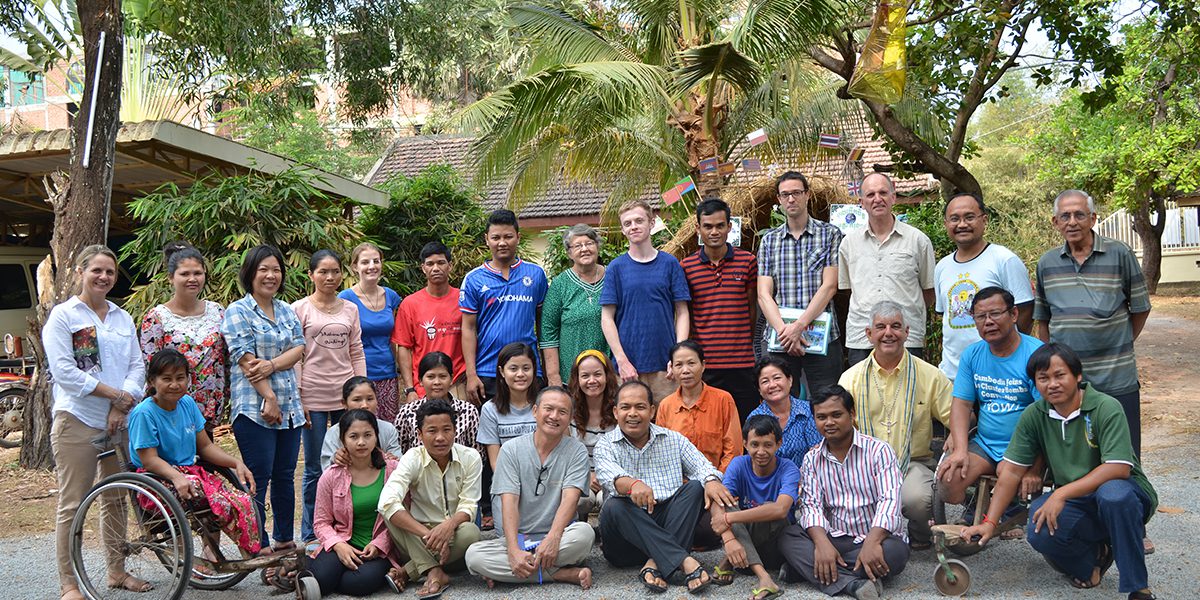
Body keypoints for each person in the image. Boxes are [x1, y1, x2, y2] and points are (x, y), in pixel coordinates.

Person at [962, 343, 1158, 600]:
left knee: (1113, 496)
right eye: (1043, 378)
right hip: (1078, 499)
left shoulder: (1105, 407)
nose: (1051, 384)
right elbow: (1010, 471)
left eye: (1059, 375)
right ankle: (1094, 558)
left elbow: (1118, 468)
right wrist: (989, 523)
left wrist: (1060, 493)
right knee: (1039, 528)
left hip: (1124, 493)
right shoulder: (1035, 414)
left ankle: (1138, 588)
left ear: (1077, 376)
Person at [44, 245, 147, 600]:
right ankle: (69, 584)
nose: (104, 277)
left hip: (119, 422)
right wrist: (113, 396)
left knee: (117, 498)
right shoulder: (64, 316)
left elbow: (137, 366)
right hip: (78, 420)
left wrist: (123, 403)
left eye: (110, 272)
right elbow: (65, 373)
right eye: (97, 270)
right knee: (72, 503)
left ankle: (116, 572)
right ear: (80, 272)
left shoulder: (122, 317)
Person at [1034, 189, 1152, 459]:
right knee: (1074, 455)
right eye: (1065, 216)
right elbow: (1044, 319)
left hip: (1116, 376)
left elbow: (1141, 308)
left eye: (1079, 214)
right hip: (1067, 381)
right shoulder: (1047, 263)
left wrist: (1118, 341)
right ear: (1055, 222)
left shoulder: (1120, 254)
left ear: (1093, 218)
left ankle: (1131, 501)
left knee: (1125, 454)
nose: (1072, 222)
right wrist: (1050, 365)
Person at [594, 380, 736, 594]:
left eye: (640, 407)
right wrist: (633, 484)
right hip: (625, 542)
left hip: (666, 525)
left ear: (652, 411)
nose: (632, 413)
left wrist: (712, 480)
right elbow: (609, 478)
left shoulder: (673, 439)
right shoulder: (605, 444)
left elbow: (702, 467)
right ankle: (685, 561)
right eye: (626, 407)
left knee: (696, 487)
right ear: (615, 412)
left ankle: (654, 564)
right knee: (614, 506)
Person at [837, 301, 951, 550]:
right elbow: (840, 430)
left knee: (918, 499)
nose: (888, 333)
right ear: (869, 334)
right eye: (881, 327)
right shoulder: (850, 378)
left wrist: (956, 438)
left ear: (907, 332)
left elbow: (957, 418)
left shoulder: (929, 375)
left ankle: (919, 536)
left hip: (913, 463)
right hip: (864, 464)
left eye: (896, 326)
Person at [780, 385, 910, 599]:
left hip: (877, 537)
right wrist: (822, 545)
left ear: (851, 414)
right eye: (821, 417)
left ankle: (808, 569)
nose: (829, 423)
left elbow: (890, 501)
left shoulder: (879, 451)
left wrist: (872, 542)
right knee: (788, 536)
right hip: (836, 537)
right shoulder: (812, 459)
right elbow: (811, 506)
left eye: (836, 415)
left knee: (896, 553)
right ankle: (851, 583)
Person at [129, 349, 259, 556]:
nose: (175, 384)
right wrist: (177, 476)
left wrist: (236, 463)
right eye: (167, 379)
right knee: (210, 495)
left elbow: (205, 447)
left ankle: (241, 553)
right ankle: (211, 552)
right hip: (156, 479)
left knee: (240, 498)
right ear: (152, 381)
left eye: (180, 378)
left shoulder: (187, 403)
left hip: (190, 473)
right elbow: (150, 459)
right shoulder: (144, 413)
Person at [220, 244, 306, 556]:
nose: (271, 275)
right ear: (250, 274)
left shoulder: (286, 310)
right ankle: (260, 545)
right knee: (258, 478)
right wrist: (268, 397)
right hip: (254, 408)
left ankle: (284, 539)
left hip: (290, 408)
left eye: (276, 269)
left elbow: (299, 348)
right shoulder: (237, 311)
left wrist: (271, 364)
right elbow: (245, 360)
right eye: (263, 270)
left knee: (285, 476)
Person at [465, 387, 596, 589]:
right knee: (474, 556)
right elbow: (509, 501)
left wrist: (553, 539)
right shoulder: (511, 450)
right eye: (548, 409)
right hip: (521, 538)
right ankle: (560, 573)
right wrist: (513, 550)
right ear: (535, 411)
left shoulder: (576, 451)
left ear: (570, 417)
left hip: (560, 536)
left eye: (562, 412)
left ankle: (513, 572)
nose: (554, 416)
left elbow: (570, 500)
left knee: (585, 534)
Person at [937, 287, 1044, 518]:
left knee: (1007, 472)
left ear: (1013, 314)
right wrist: (961, 450)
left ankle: (995, 516)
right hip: (986, 444)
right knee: (948, 480)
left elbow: (1048, 415)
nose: (988, 322)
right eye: (981, 316)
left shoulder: (1036, 354)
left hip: (1023, 448)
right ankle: (979, 505)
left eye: (995, 314)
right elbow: (962, 404)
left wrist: (1036, 467)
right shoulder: (972, 355)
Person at [294, 249, 367, 547]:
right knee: (314, 467)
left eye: (335, 271)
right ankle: (311, 532)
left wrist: (361, 393)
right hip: (312, 395)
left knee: (349, 462)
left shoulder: (350, 308)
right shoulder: (299, 308)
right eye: (323, 271)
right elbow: (297, 355)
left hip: (345, 397)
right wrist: (299, 397)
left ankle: (343, 527)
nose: (329, 277)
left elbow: (356, 351)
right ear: (311, 275)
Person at [381, 400, 483, 599]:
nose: (440, 438)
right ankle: (435, 572)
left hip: (455, 539)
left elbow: (469, 505)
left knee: (471, 532)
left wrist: (448, 527)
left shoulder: (471, 457)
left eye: (446, 430)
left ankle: (411, 571)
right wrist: (428, 534)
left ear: (455, 430)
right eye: (431, 431)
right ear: (419, 434)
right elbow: (387, 500)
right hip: (417, 538)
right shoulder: (412, 457)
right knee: (389, 508)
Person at [757, 171, 846, 394]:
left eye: (796, 193)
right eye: (785, 194)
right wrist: (784, 332)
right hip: (780, 340)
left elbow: (829, 286)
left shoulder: (830, 234)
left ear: (807, 195)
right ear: (778, 199)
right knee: (781, 403)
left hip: (822, 336)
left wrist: (799, 326)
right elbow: (763, 294)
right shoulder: (769, 240)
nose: (791, 199)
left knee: (827, 403)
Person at [934, 192, 1033, 383]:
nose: (962, 224)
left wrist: (1007, 353)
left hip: (999, 374)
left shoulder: (1004, 260)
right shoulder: (942, 267)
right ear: (946, 223)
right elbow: (946, 318)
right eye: (954, 219)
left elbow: (1025, 312)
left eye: (969, 217)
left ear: (984, 220)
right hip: (953, 374)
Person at [838, 173, 936, 366]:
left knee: (909, 395)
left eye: (883, 192)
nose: (877, 199)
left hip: (907, 337)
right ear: (861, 202)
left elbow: (928, 291)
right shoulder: (848, 244)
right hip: (862, 337)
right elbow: (850, 290)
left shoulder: (918, 241)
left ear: (893, 196)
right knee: (863, 395)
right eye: (870, 194)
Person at [601, 199, 691, 401]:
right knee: (631, 427)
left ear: (651, 223)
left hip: (665, 367)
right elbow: (607, 318)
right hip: (628, 369)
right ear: (623, 230)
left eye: (638, 221)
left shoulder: (670, 264)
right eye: (627, 223)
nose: (633, 227)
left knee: (669, 428)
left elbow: (682, 312)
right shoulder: (616, 268)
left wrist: (678, 357)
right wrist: (622, 361)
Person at [311, 410, 406, 596]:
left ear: (376, 437)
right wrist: (339, 545)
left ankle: (312, 573)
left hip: (379, 549)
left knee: (359, 583)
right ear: (343, 439)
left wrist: (379, 544)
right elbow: (321, 522)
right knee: (322, 578)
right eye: (353, 436)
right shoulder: (331, 476)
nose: (361, 442)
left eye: (367, 435)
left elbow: (402, 515)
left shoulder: (394, 471)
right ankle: (317, 572)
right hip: (344, 541)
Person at [139, 241, 227, 438]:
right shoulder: (156, 318)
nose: (192, 279)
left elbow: (226, 361)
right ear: (171, 278)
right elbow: (151, 368)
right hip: (170, 411)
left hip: (207, 412)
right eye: (184, 274)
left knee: (204, 467)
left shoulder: (218, 312)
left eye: (197, 273)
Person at [681, 198, 759, 418]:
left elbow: (751, 308)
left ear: (729, 227)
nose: (714, 232)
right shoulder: (687, 267)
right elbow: (686, 313)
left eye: (719, 225)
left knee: (747, 422)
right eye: (707, 226)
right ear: (698, 228)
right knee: (710, 422)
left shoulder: (748, 261)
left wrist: (742, 341)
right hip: (706, 365)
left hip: (742, 362)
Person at [460, 210, 549, 403]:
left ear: (518, 237)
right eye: (496, 237)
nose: (502, 242)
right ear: (487, 239)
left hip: (528, 370)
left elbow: (545, 326)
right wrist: (472, 374)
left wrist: (548, 370)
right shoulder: (474, 279)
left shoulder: (536, 274)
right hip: (488, 371)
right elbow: (468, 328)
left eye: (508, 236)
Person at [707, 415, 799, 600]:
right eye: (755, 444)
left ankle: (729, 562)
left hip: (775, 544)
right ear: (745, 444)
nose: (761, 451)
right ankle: (764, 577)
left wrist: (728, 519)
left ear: (779, 444)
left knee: (768, 508)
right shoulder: (739, 464)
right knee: (728, 504)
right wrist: (729, 540)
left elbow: (780, 510)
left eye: (768, 445)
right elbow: (719, 503)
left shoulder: (789, 468)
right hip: (744, 544)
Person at [478, 342, 542, 529]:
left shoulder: (545, 404)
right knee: (509, 539)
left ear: (534, 370)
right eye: (513, 368)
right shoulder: (490, 410)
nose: (520, 374)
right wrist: (517, 485)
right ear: (502, 371)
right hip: (507, 485)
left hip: (543, 482)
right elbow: (495, 462)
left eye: (526, 368)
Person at [393, 242, 466, 403]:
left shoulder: (464, 299)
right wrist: (410, 388)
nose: (435, 268)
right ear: (423, 268)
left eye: (441, 262)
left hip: (459, 381)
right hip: (423, 384)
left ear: (450, 266)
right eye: (430, 264)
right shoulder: (410, 304)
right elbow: (404, 348)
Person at [339, 242, 403, 422]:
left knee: (388, 427)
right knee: (362, 428)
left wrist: (397, 367)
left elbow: (393, 338)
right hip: (360, 375)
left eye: (376, 261)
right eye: (365, 262)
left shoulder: (390, 295)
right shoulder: (345, 298)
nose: (372, 266)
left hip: (388, 373)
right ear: (354, 266)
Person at [540, 224, 609, 386]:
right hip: (571, 376)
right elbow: (548, 332)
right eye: (577, 246)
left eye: (589, 243)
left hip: (609, 371)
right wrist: (553, 376)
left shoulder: (613, 277)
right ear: (569, 252)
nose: (584, 249)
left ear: (597, 246)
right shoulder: (560, 284)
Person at [394, 351, 481, 455]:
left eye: (442, 376)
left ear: (451, 379)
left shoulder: (468, 411)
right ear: (420, 380)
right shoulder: (407, 412)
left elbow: (477, 452)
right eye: (430, 377)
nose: (437, 382)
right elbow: (399, 451)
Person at [566, 349, 618, 519]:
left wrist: (604, 476)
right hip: (579, 476)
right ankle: (577, 526)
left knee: (608, 499)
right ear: (577, 379)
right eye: (585, 376)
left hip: (612, 476)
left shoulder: (619, 410)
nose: (592, 380)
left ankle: (609, 532)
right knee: (582, 499)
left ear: (607, 376)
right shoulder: (568, 412)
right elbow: (565, 454)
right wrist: (586, 476)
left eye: (597, 374)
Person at [746, 355, 821, 468]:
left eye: (777, 378)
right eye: (765, 381)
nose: (772, 385)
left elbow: (817, 453)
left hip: (809, 479)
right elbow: (756, 461)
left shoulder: (808, 411)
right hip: (770, 482)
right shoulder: (754, 418)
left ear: (790, 380)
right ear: (759, 390)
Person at [320, 377, 403, 470]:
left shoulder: (388, 429)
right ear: (344, 403)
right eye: (357, 400)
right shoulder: (334, 433)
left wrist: (393, 461)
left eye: (370, 399)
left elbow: (398, 462)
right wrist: (335, 459)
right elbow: (326, 469)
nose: (364, 405)